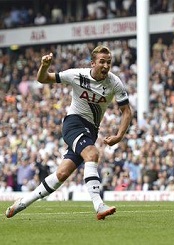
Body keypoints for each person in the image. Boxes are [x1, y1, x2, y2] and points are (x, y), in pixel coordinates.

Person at [5, 45, 133, 220]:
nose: (105, 66)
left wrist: (119, 136)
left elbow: (126, 110)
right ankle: (99, 205)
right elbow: (43, 79)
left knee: (62, 174)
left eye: (108, 62)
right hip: (73, 123)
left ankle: (22, 202)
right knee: (92, 153)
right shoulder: (77, 75)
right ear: (92, 63)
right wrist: (44, 65)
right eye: (102, 62)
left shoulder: (114, 82)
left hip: (91, 131)